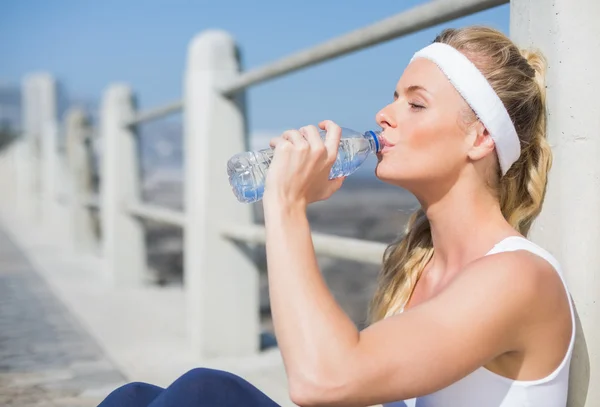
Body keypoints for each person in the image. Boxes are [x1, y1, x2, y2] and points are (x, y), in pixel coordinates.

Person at [98, 25, 575, 407]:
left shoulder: (518, 277)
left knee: (202, 395)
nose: (384, 114)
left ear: (479, 139)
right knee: (147, 397)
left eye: (415, 103)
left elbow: (322, 381)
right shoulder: (420, 263)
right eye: (394, 97)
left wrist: (285, 206)